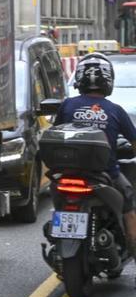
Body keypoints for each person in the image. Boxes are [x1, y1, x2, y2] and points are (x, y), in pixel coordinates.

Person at [55, 53, 136, 243]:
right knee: (129, 208)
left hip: (67, 172)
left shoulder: (67, 105)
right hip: (107, 174)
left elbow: (55, 133)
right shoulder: (115, 110)